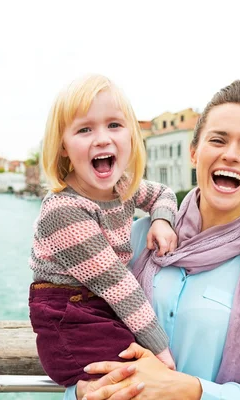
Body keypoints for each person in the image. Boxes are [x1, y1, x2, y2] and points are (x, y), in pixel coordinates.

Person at [67, 80, 240, 400]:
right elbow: (80, 337)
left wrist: (185, 388)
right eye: (218, 140)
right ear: (194, 152)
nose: (231, 155)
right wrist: (81, 390)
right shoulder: (131, 238)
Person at [29, 74, 178, 388]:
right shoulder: (63, 211)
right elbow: (117, 284)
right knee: (139, 380)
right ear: (64, 147)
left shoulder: (121, 187)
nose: (102, 138)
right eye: (85, 129)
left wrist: (162, 220)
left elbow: (163, 193)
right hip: (68, 319)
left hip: (99, 307)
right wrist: (160, 349)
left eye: (114, 125)